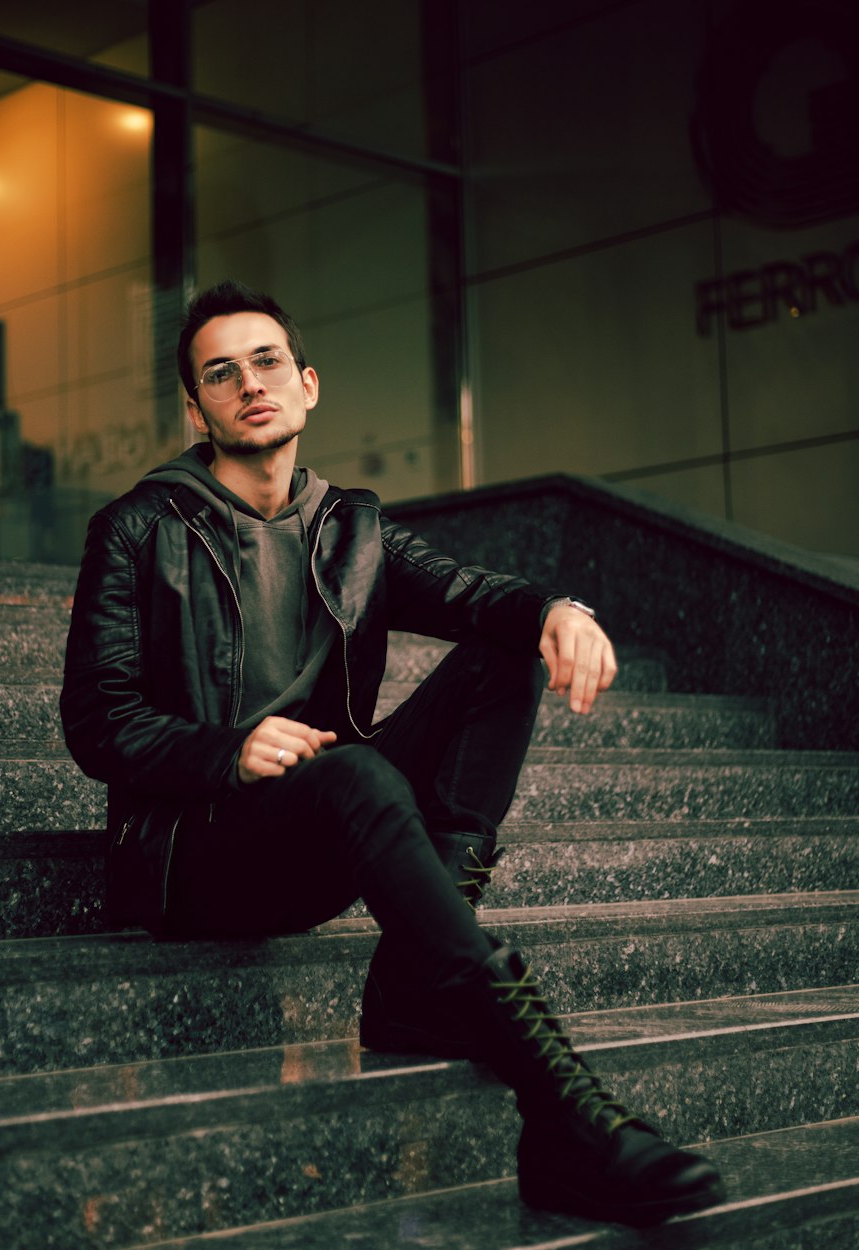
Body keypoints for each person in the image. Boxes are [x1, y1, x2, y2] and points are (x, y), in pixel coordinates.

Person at [60, 278, 725, 1228]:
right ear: (195, 406)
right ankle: (567, 1116)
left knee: (506, 648)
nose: (250, 384)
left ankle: (416, 984)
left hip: (324, 813)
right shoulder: (137, 528)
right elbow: (97, 719)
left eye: (267, 362)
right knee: (358, 771)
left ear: (308, 384)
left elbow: (469, 593)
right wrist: (226, 750)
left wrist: (556, 611)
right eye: (221, 373)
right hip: (195, 852)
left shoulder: (350, 528)